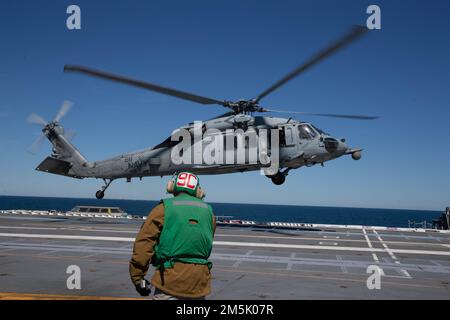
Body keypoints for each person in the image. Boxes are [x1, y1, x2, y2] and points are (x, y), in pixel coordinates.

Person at [129, 172, 216, 300]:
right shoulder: (209, 212)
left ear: (171, 186)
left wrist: (138, 278)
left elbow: (144, 243)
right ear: (198, 190)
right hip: (199, 284)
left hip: (169, 282)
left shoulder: (163, 208)